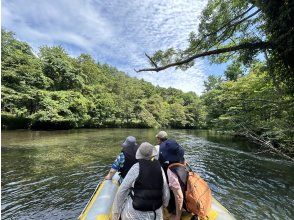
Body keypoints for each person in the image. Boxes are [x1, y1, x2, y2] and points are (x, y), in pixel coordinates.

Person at [112, 142, 170, 220]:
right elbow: (166, 191)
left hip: (135, 213)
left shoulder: (136, 168)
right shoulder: (159, 167)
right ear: (152, 154)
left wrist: (116, 214)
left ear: (139, 154)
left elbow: (122, 191)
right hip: (156, 213)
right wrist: (164, 205)